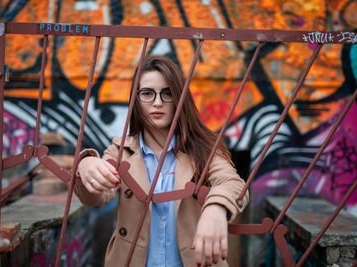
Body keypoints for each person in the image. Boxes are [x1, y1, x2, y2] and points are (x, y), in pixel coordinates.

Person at [74, 55, 248, 267]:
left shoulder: (204, 148)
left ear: (179, 98)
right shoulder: (121, 151)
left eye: (167, 93)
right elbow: (96, 196)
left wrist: (216, 208)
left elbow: (234, 183)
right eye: (147, 93)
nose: (157, 103)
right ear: (136, 100)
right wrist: (86, 164)